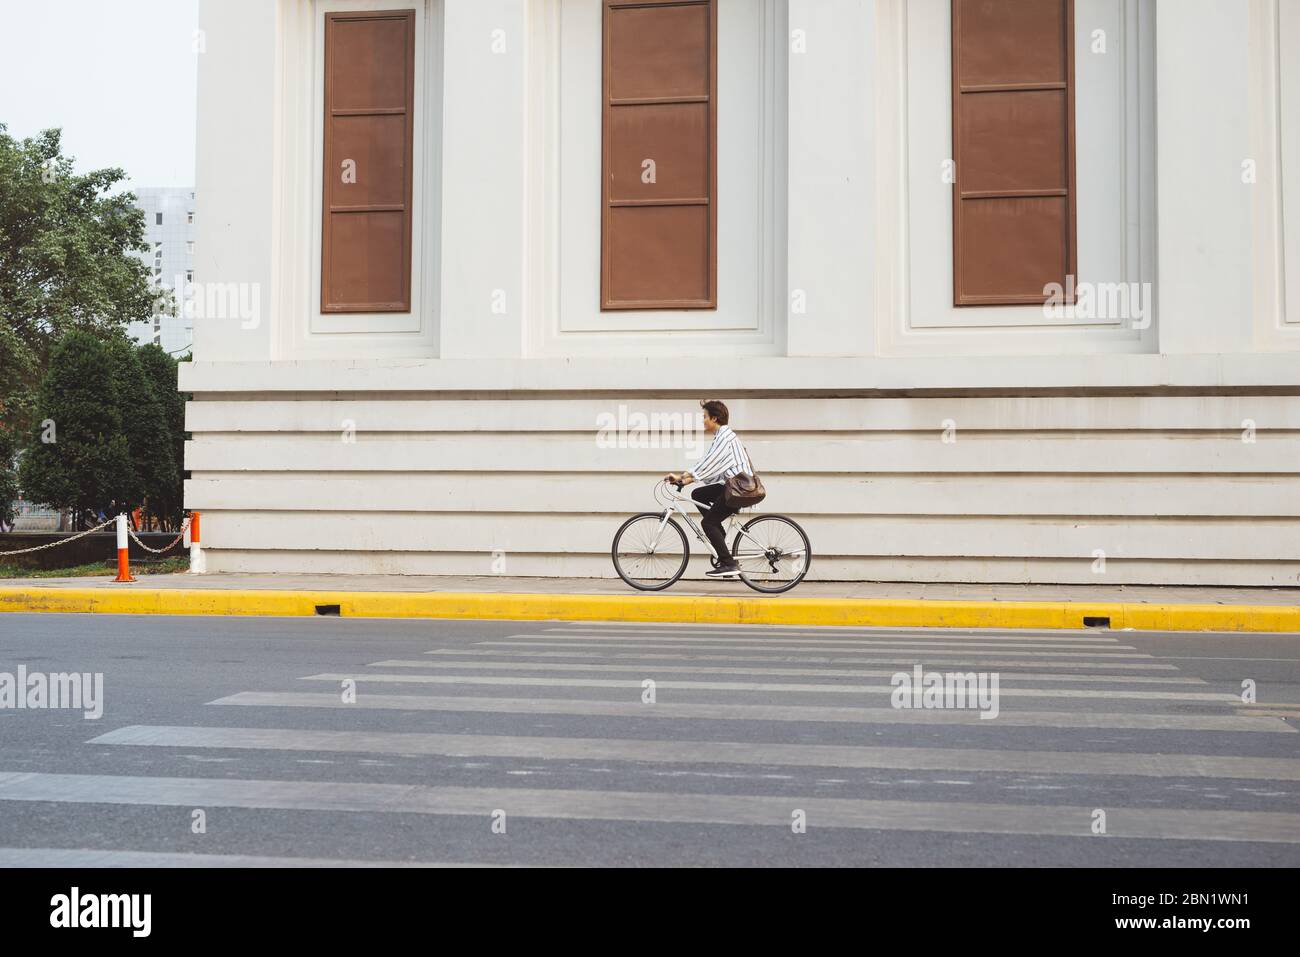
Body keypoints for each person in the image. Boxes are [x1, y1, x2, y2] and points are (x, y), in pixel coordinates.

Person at [663, 399, 754, 579]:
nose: (702, 420)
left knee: (708, 523)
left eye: (704, 417)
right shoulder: (722, 436)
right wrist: (686, 481)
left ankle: (728, 563)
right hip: (733, 487)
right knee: (698, 494)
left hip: (740, 489)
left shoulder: (725, 437)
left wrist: (683, 476)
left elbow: (708, 463)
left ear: (714, 418)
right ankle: (718, 538)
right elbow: (713, 469)